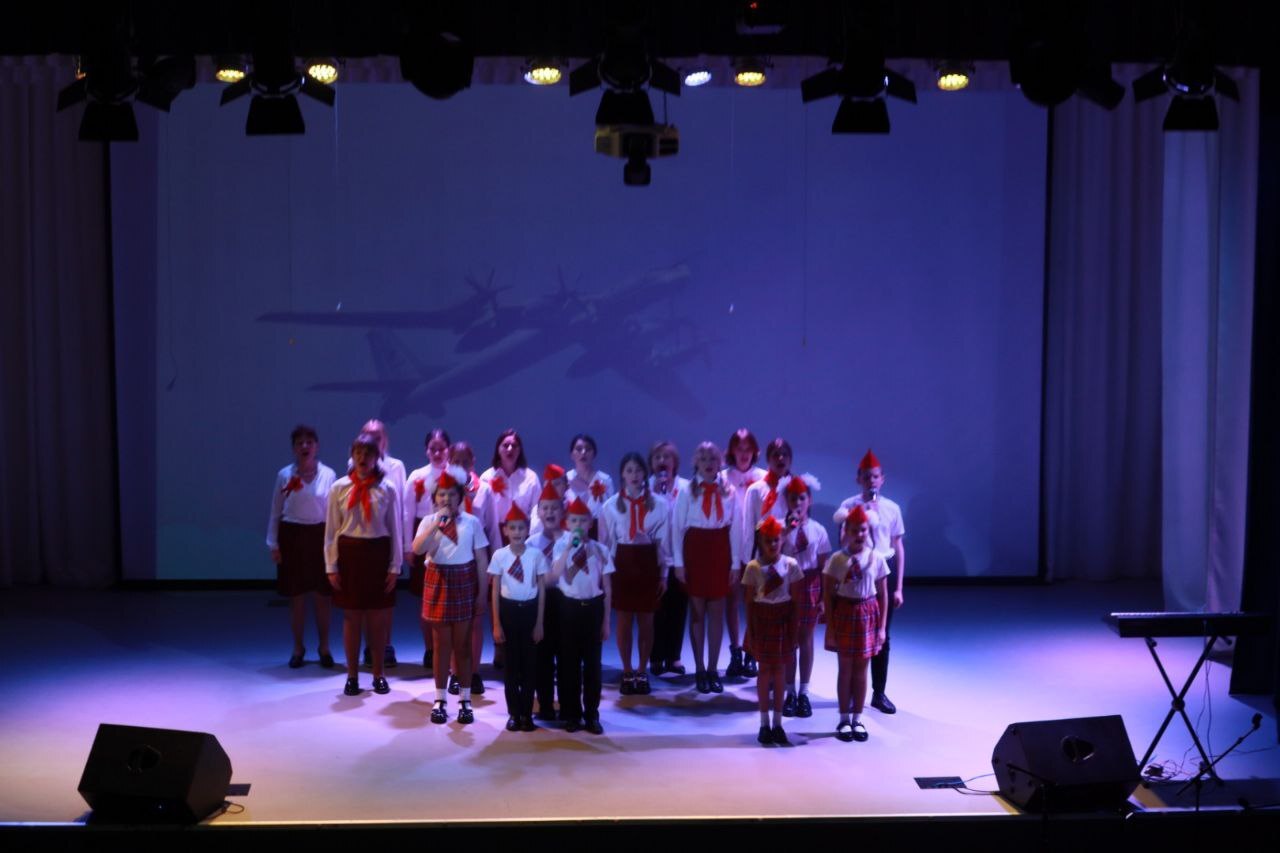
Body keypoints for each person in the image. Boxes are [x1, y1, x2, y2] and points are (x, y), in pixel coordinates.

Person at [324, 433, 402, 697]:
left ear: (377, 457)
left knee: (377, 618)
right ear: (352, 455)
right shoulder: (339, 487)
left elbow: (395, 528)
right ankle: (352, 675)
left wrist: (395, 566)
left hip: (377, 553)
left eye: (368, 453)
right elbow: (332, 530)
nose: (363, 457)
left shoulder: (387, 488)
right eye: (358, 452)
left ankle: (379, 673)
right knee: (352, 616)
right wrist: (331, 566)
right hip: (350, 554)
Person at [413, 466, 490, 725]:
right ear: (434, 498)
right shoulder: (428, 521)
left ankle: (465, 700)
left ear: (461, 497)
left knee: (463, 646)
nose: (447, 499)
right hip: (439, 581)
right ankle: (440, 699)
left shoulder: (472, 523)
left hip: (464, 583)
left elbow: (481, 559)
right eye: (442, 495)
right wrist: (437, 524)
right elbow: (417, 548)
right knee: (441, 646)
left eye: (452, 494)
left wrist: (482, 593)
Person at [833, 449, 905, 714]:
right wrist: (860, 515)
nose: (871, 481)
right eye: (866, 477)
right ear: (858, 479)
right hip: (858, 569)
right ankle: (853, 691)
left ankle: (879, 692)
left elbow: (898, 547)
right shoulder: (849, 506)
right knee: (856, 632)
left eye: (875, 476)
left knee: (882, 633)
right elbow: (842, 541)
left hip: (883, 569)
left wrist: (899, 587)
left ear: (882, 479)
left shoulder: (892, 508)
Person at [599, 452, 670, 695]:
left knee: (646, 621)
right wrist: (606, 574)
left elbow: (664, 543)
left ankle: (642, 670)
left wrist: (664, 574)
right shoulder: (610, 506)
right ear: (622, 474)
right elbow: (606, 543)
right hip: (623, 565)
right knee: (625, 622)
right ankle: (627, 670)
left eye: (638, 470)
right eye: (629, 470)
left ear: (645, 473)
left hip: (648, 563)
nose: (634, 475)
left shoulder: (660, 504)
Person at [672, 441, 741, 693]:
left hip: (719, 550)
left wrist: (735, 563)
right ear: (696, 463)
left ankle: (713, 669)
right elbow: (677, 528)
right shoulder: (687, 491)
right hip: (695, 551)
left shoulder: (729, 491)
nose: (709, 464)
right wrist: (678, 563)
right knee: (697, 612)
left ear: (719, 462)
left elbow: (735, 528)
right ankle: (700, 668)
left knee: (717, 613)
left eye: (713, 459)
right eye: (703, 459)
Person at [267, 425, 337, 669]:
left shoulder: (328, 474)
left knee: (322, 597)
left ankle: (324, 647)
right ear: (294, 448)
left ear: (316, 446)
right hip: (292, 537)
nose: (305, 446)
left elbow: (334, 513)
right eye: (300, 443)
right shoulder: (285, 475)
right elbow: (276, 511)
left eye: (309, 442)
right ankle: (298, 648)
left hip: (320, 536)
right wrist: (273, 543)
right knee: (296, 598)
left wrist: (334, 546)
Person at [822, 505, 888, 742]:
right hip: (844, 613)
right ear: (846, 532)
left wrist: (881, 628)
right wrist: (830, 626)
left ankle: (857, 718)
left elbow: (883, 594)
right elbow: (828, 594)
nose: (859, 534)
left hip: (867, 614)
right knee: (845, 669)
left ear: (868, 530)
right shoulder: (837, 560)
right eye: (853, 530)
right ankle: (843, 719)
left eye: (863, 530)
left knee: (861, 671)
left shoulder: (876, 558)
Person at [550, 498, 613, 734]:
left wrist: (606, 622)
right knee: (569, 665)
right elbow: (555, 575)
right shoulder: (560, 546)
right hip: (569, 609)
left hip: (593, 609)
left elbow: (607, 587)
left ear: (590, 523)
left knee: (593, 666)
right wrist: (569, 547)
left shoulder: (600, 549)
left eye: (583, 521)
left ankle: (592, 714)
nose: (578, 525)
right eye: (574, 521)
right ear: (567, 523)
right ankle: (571, 714)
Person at [741, 515, 804, 745]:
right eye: (768, 540)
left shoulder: (791, 565)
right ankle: (764, 723)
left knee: (780, 672)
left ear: (782, 540)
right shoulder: (753, 567)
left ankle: (778, 723)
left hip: (783, 621)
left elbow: (796, 602)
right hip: (762, 620)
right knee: (764, 671)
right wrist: (751, 630)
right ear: (760, 542)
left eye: (776, 539)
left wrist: (794, 631)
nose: (773, 544)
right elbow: (749, 603)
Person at [489, 505, 547, 732]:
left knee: (530, 666)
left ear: (527, 529)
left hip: (530, 612)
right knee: (511, 667)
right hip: (509, 612)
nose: (517, 532)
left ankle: (527, 713)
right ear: (505, 530)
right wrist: (496, 623)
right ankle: (514, 713)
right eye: (512, 528)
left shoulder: (535, 555)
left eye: (521, 528)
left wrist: (540, 622)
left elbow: (541, 589)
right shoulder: (499, 556)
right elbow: (495, 591)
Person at [740, 437, 796, 679]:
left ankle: (780, 660)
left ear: (790, 459)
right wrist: (747, 561)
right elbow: (749, 526)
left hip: (788, 558)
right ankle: (752, 652)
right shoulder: (756, 489)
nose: (780, 458)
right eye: (775, 454)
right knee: (759, 607)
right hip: (763, 557)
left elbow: (801, 518)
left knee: (782, 609)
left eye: (784, 454)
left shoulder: (796, 487)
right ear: (768, 459)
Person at [356, 419, 406, 669]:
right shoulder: (354, 465)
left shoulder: (396, 467)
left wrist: (403, 545)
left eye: (377, 436)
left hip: (388, 537)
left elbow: (402, 507)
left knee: (386, 596)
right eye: (368, 435)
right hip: (364, 537)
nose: (374, 441)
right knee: (365, 597)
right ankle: (369, 646)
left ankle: (385, 644)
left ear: (385, 439)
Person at [780, 475, 830, 718]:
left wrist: (823, 597)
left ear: (809, 500)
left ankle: (804, 692)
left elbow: (823, 567)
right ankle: (789, 691)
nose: (798, 503)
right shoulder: (779, 528)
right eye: (793, 499)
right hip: (787, 585)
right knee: (789, 639)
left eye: (802, 498)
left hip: (810, 585)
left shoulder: (818, 530)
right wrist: (786, 532)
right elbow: (771, 554)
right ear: (786, 501)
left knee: (806, 639)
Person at [405, 428, 451, 670]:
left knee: (449, 595)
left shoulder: (456, 475)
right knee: (427, 596)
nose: (437, 453)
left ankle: (448, 650)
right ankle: (430, 648)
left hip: (450, 534)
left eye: (441, 448)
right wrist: (408, 546)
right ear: (426, 451)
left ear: (448, 450)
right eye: (433, 448)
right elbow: (407, 513)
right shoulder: (417, 476)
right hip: (423, 531)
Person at [722, 428, 766, 679]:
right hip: (729, 548)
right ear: (732, 451)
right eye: (739, 449)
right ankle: (735, 651)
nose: (744, 453)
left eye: (748, 449)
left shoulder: (764, 477)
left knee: (755, 602)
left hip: (756, 550)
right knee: (732, 601)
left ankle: (752, 651)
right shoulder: (722, 478)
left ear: (755, 451)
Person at [647, 440, 689, 678]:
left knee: (678, 607)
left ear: (675, 462)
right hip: (654, 557)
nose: (662, 461)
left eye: (667, 457)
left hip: (680, 556)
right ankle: (655, 656)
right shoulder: (646, 487)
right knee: (656, 609)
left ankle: (674, 656)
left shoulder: (686, 487)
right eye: (657, 457)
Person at [527, 483, 568, 721]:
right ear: (539, 512)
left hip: (566, 603)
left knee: (567, 656)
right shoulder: (531, 543)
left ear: (563, 511)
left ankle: (568, 705)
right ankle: (545, 704)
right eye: (545, 508)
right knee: (542, 657)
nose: (550, 512)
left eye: (554, 508)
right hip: (541, 604)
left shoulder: (571, 540)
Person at [565, 433, 614, 539]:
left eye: (588, 449)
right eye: (579, 449)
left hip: (599, 534)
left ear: (594, 454)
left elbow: (611, 512)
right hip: (572, 532)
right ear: (572, 455)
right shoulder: (566, 480)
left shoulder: (605, 480)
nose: (583, 452)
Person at [528, 462, 567, 538]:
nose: (552, 488)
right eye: (548, 484)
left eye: (556, 484)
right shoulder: (538, 509)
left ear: (566, 485)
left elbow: (578, 539)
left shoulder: (574, 508)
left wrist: (573, 544)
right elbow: (535, 536)